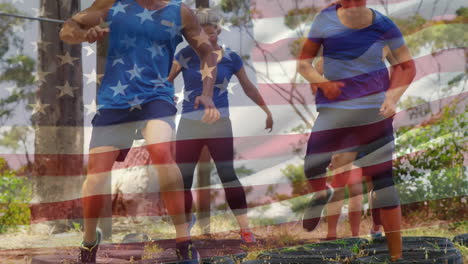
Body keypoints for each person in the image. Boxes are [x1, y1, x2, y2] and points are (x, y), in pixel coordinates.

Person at [60, 0, 220, 263]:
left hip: (156, 96)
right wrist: (83, 35)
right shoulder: (112, 3)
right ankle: (89, 242)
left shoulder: (181, 12)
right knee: (96, 177)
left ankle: (184, 242)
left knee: (161, 153)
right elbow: (68, 29)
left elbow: (208, 53)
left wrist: (207, 93)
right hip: (114, 101)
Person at [297, 0, 415, 261]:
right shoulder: (324, 19)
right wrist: (323, 83)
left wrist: (393, 98)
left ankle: (397, 256)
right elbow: (304, 64)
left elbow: (406, 66)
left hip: (373, 114)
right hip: (334, 112)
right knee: (312, 166)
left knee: (384, 184)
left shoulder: (383, 25)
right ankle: (320, 194)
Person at [168, 9, 273, 244]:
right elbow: (167, 81)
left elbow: (248, 86)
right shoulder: (184, 54)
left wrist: (266, 110)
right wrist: (166, 98)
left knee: (228, 174)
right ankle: (184, 229)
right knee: (183, 178)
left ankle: (245, 229)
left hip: (219, 126)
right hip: (189, 125)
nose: (207, 35)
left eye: (211, 30)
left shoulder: (231, 57)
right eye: (202, 32)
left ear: (218, 30)